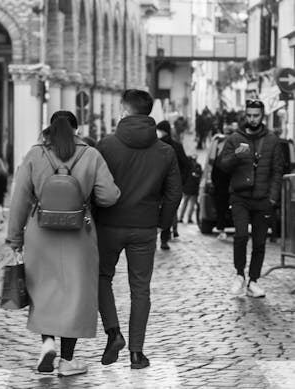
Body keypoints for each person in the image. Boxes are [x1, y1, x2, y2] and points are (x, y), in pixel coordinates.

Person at [7, 111, 120, 376]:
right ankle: (67, 361)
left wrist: (14, 238)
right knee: (74, 295)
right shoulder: (90, 154)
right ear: (76, 130)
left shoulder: (35, 154)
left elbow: (19, 199)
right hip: (79, 233)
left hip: (40, 233)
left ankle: (47, 343)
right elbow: (109, 196)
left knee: (44, 290)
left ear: (49, 129)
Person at [96, 89, 181, 369]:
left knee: (101, 277)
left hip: (109, 224)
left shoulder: (106, 145)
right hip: (144, 226)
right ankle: (136, 353)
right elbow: (174, 194)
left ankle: (113, 332)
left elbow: (93, 186)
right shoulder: (165, 150)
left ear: (124, 110)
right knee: (140, 290)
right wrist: (162, 224)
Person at [220, 99, 283, 298]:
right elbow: (222, 166)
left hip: (263, 199)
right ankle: (239, 274)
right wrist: (237, 154)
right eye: (249, 115)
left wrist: (273, 198)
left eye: (256, 115)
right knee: (240, 236)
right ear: (244, 115)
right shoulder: (234, 138)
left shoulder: (272, 140)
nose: (252, 119)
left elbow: (278, 171)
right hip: (240, 197)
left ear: (262, 116)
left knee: (259, 243)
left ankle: (253, 281)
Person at [156, 120, 188, 249]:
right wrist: (181, 181)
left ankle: (158, 237)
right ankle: (164, 238)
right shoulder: (176, 145)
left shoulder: (159, 145)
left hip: (159, 185)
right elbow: (186, 165)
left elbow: (185, 165)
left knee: (157, 210)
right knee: (169, 212)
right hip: (170, 185)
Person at [210, 123, 234, 240]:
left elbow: (213, 166)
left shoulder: (219, 145)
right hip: (230, 185)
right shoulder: (235, 146)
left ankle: (222, 229)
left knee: (221, 208)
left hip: (222, 185)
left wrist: (214, 182)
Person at [179, 155, 202, 223]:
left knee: (185, 203)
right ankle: (189, 218)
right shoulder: (198, 166)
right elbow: (200, 175)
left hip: (186, 188)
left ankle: (181, 217)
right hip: (194, 188)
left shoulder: (187, 166)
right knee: (192, 204)